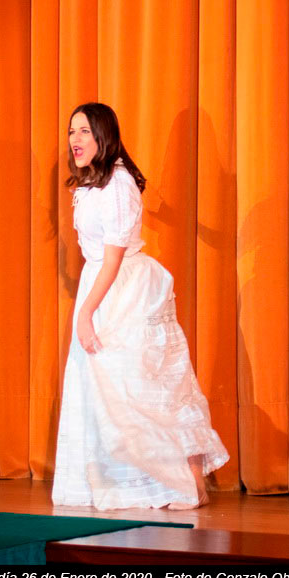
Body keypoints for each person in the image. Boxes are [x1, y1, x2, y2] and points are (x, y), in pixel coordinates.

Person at [52, 102, 228, 511]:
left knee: (145, 387)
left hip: (123, 289)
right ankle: (132, 482)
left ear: (103, 136)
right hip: (101, 285)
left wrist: (85, 313)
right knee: (108, 390)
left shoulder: (118, 183)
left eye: (84, 131)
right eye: (72, 131)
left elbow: (113, 257)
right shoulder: (91, 184)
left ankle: (188, 483)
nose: (75, 139)